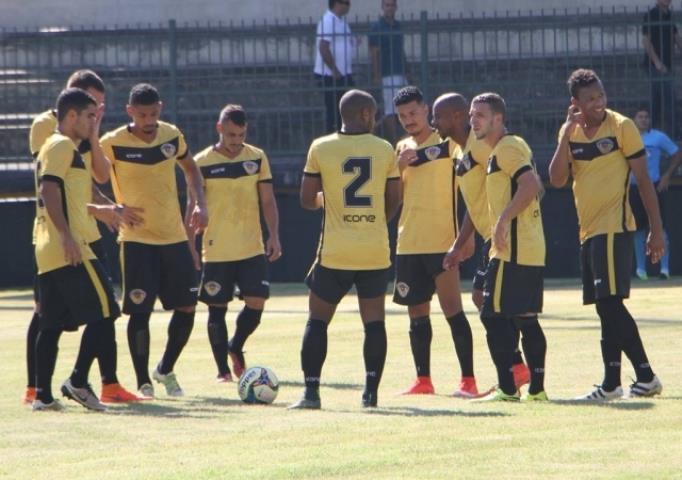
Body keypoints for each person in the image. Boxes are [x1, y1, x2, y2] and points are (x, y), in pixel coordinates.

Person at [25, 70, 141, 406]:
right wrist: (68, 237)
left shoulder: (62, 146)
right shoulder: (60, 145)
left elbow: (72, 191)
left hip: (51, 250)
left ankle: (42, 396)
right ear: (72, 115)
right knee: (107, 311)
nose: (95, 122)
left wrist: (101, 210)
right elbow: (49, 190)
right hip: (70, 247)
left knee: (51, 322)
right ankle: (77, 380)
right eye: (91, 116)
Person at [549, 69, 664, 401]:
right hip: (589, 232)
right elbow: (556, 180)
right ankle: (614, 384)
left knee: (611, 305)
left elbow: (643, 181)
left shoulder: (621, 126)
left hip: (615, 228)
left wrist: (656, 230)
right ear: (576, 103)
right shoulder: (569, 132)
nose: (598, 103)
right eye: (590, 99)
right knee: (605, 307)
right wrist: (566, 134)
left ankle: (643, 376)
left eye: (601, 96)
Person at [289, 89, 401, 409]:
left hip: (335, 252)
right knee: (374, 322)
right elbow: (395, 198)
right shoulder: (384, 149)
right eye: (375, 113)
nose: (377, 119)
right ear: (365, 114)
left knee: (317, 321)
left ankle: (311, 393)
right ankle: (370, 394)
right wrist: (375, 219)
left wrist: (331, 202)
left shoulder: (321, 147)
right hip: (374, 250)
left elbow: (307, 200)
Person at [100, 83, 208, 398]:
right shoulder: (112, 143)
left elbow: (192, 171)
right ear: (130, 112)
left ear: (160, 108)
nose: (149, 120)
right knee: (140, 311)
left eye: (154, 113)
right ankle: (143, 382)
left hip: (173, 237)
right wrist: (110, 208)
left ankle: (165, 368)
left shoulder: (172, 136)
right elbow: (84, 179)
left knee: (187, 306)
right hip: (136, 240)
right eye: (143, 114)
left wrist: (200, 202)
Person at [435, 92, 531, 391]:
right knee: (481, 298)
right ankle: (516, 368)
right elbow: (474, 202)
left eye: (437, 116)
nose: (432, 122)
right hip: (488, 235)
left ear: (456, 116)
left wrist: (502, 222)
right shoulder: (457, 150)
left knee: (494, 305)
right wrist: (459, 242)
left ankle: (515, 372)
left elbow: (504, 183)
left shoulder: (481, 145)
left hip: (502, 237)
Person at [392, 86, 479, 398]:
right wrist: (397, 168)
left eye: (413, 113)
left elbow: (468, 190)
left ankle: (468, 381)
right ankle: (423, 380)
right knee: (417, 313)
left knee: (453, 309)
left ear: (426, 109)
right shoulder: (400, 147)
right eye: (402, 116)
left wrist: (464, 239)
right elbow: (395, 198)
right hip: (408, 243)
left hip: (443, 242)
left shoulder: (448, 143)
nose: (409, 120)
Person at [462, 93, 547, 402]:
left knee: (491, 316)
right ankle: (536, 390)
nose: (473, 121)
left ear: (498, 119)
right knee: (525, 317)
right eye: (472, 115)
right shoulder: (511, 147)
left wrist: (502, 221)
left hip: (513, 250)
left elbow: (532, 185)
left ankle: (508, 388)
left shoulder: (506, 148)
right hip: (527, 247)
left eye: (480, 115)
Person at [193, 105, 282, 382]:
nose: (236, 140)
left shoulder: (256, 157)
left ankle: (236, 345)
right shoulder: (201, 162)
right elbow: (192, 206)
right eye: (231, 134)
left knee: (257, 303)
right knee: (216, 309)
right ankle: (222, 371)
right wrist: (190, 246)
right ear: (219, 129)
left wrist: (274, 235)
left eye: (241, 134)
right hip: (217, 248)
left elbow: (267, 200)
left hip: (250, 246)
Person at [630, 106, 681, 279]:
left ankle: (664, 269)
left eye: (646, 117)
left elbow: (676, 153)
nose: (643, 120)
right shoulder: (628, 137)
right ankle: (640, 270)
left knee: (660, 227)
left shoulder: (659, 137)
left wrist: (667, 175)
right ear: (634, 120)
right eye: (640, 116)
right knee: (637, 230)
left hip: (654, 187)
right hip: (634, 188)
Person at [369, 0, 408, 145]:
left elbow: (401, 51)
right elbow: (374, 53)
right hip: (387, 73)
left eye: (392, 5)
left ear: (396, 7)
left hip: (400, 71)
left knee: (404, 105)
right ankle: (394, 141)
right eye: (387, 5)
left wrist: (408, 71)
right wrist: (376, 73)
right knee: (391, 110)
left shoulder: (398, 26)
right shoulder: (377, 27)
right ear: (382, 7)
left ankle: (401, 137)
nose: (390, 8)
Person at [642, 0, 682, 133]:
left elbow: (676, 37)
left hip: (668, 64)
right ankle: (662, 132)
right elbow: (646, 41)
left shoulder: (669, 14)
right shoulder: (651, 15)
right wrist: (657, 63)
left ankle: (668, 133)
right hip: (655, 66)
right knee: (660, 101)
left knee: (665, 99)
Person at [315, 0, 355, 133]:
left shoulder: (341, 21)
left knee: (343, 111)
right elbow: (323, 47)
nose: (349, 5)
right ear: (337, 3)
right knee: (334, 112)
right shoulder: (328, 21)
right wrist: (335, 70)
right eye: (347, 2)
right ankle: (333, 141)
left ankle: (341, 138)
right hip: (331, 75)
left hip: (343, 74)